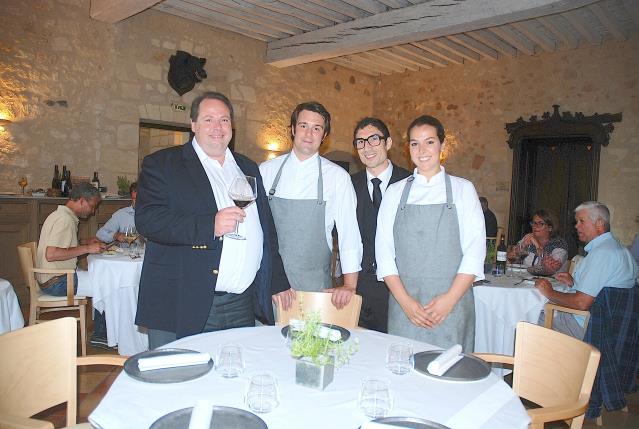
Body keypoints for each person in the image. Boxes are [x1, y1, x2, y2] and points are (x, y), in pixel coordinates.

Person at [135, 91, 290, 349]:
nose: (217, 127)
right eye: (208, 119)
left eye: (224, 120)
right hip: (186, 300)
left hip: (242, 304)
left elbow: (266, 228)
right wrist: (210, 225)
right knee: (181, 381)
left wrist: (278, 281)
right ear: (193, 125)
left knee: (233, 379)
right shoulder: (163, 164)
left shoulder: (247, 167)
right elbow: (148, 220)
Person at [376, 115, 485, 352]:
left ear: (443, 146)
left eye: (430, 142)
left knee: (451, 377)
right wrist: (406, 303)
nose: (422, 150)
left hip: (452, 306)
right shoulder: (394, 193)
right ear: (408, 149)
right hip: (405, 308)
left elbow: (475, 252)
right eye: (415, 143)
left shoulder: (463, 189)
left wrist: (448, 300)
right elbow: (384, 254)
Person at [260, 101, 362, 311]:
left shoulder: (337, 178)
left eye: (317, 128)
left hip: (315, 291)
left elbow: (349, 235)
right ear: (292, 129)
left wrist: (349, 285)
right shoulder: (266, 171)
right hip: (270, 286)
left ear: (324, 136)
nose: (309, 133)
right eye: (303, 125)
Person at [536, 202, 638, 339]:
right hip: (610, 325)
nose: (576, 226)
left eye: (581, 221)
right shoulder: (619, 249)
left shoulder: (602, 253)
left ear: (599, 223)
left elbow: (581, 303)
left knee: (522, 320)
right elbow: (604, 290)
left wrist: (550, 292)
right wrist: (575, 283)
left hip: (587, 326)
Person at [350, 117, 410, 332]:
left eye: (374, 139)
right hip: (359, 287)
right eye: (360, 142)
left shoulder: (409, 183)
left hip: (399, 287)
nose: (367, 147)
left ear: (388, 143)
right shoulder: (348, 185)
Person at [36, 182, 109, 348]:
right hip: (57, 282)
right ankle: (101, 335)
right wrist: (87, 248)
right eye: (92, 206)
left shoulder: (58, 215)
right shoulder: (65, 220)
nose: (93, 211)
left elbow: (61, 245)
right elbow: (52, 254)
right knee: (106, 283)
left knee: (101, 279)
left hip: (50, 278)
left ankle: (102, 331)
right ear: (82, 201)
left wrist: (84, 241)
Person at [516, 209, 568, 274]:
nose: (535, 226)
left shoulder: (559, 244)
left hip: (553, 282)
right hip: (528, 279)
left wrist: (537, 245)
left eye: (540, 224)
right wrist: (523, 246)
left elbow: (551, 269)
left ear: (550, 228)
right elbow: (513, 259)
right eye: (534, 223)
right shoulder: (528, 238)